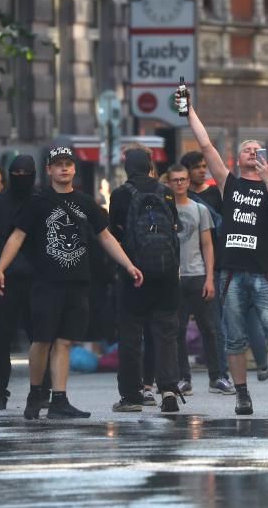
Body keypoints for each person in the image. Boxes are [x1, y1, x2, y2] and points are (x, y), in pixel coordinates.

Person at [0, 146, 144, 420]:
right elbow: (17, 237)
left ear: (74, 169)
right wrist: (0, 268)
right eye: (58, 164)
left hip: (78, 282)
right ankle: (35, 392)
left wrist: (128, 264)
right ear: (49, 170)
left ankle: (59, 399)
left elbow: (106, 237)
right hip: (46, 282)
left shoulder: (86, 202)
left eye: (69, 164)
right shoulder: (37, 202)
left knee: (64, 341)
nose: (64, 168)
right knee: (41, 340)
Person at [182, 97, 268, 416]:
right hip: (232, 272)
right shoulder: (229, 183)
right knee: (234, 338)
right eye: (248, 149)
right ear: (238, 156)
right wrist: (191, 111)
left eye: (257, 149)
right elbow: (206, 146)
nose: (252, 152)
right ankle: (242, 395)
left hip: (263, 272)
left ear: (265, 156)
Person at [109, 148, 184, 413]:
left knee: (131, 335)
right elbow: (174, 227)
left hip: (133, 275)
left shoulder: (120, 194)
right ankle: (168, 390)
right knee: (165, 334)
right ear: (151, 166)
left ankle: (131, 395)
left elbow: (113, 233)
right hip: (166, 274)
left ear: (128, 168)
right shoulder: (165, 192)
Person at [0, 154, 38, 411]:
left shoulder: (40, 201)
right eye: (18, 175)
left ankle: (36, 390)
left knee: (39, 339)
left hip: (34, 279)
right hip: (7, 279)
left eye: (26, 175)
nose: (21, 180)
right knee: (0, 339)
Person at [166, 164, 232, 396]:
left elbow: (208, 245)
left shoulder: (199, 209)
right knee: (177, 330)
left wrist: (210, 277)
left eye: (183, 179)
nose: (180, 183)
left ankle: (218, 376)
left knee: (211, 329)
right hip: (174, 278)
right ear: (168, 182)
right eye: (175, 180)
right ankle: (183, 377)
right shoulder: (164, 208)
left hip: (199, 274)